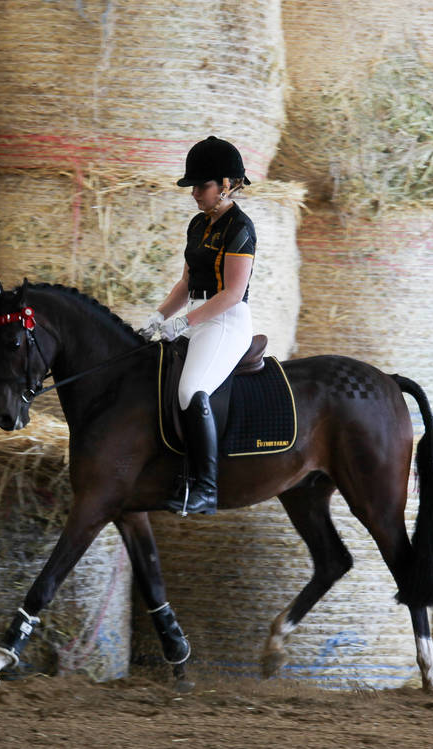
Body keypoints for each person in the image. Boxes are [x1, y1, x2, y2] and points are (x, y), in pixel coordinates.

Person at [139, 136, 257, 516]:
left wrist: (185, 322)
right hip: (195, 316)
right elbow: (187, 282)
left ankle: (206, 488)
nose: (194, 193)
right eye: (193, 186)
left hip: (225, 322)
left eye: (201, 185)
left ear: (226, 184)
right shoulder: (198, 224)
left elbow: (233, 293)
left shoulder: (240, 227)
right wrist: (159, 316)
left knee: (191, 388)